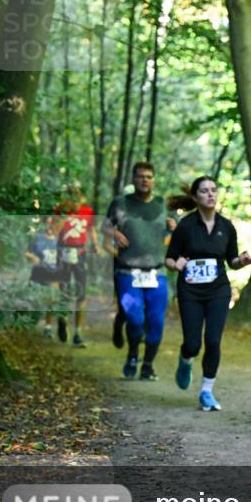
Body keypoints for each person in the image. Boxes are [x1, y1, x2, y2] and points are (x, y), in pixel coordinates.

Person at [165, 176, 251, 411]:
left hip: (218, 290)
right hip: (190, 292)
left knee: (213, 340)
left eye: (214, 190)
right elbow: (169, 259)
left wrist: (242, 261)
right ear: (195, 197)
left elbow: (232, 261)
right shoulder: (185, 226)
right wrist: (177, 265)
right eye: (204, 191)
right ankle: (185, 360)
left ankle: (207, 391)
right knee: (193, 344)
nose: (210, 194)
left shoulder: (226, 226)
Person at [102, 161, 176, 380]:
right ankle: (133, 354)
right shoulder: (120, 203)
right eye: (140, 176)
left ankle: (148, 365)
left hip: (157, 272)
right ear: (133, 179)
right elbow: (104, 225)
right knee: (135, 319)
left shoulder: (163, 205)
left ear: (154, 180)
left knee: (156, 321)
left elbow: (176, 233)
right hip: (128, 272)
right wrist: (114, 234)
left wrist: (173, 229)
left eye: (149, 176)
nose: (145, 180)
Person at [55, 187, 99, 347]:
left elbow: (91, 229)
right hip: (63, 253)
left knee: (81, 294)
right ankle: (62, 319)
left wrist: (95, 244)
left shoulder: (88, 211)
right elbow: (54, 231)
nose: (75, 198)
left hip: (80, 254)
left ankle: (78, 333)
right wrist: (65, 215)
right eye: (72, 195)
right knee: (64, 290)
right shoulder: (61, 209)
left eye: (78, 195)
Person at [26, 216, 62, 336]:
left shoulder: (59, 240)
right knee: (35, 300)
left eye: (52, 223)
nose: (50, 225)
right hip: (38, 273)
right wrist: (33, 257)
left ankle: (48, 327)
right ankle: (32, 320)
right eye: (48, 222)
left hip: (53, 274)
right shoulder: (37, 238)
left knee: (53, 298)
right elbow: (27, 252)